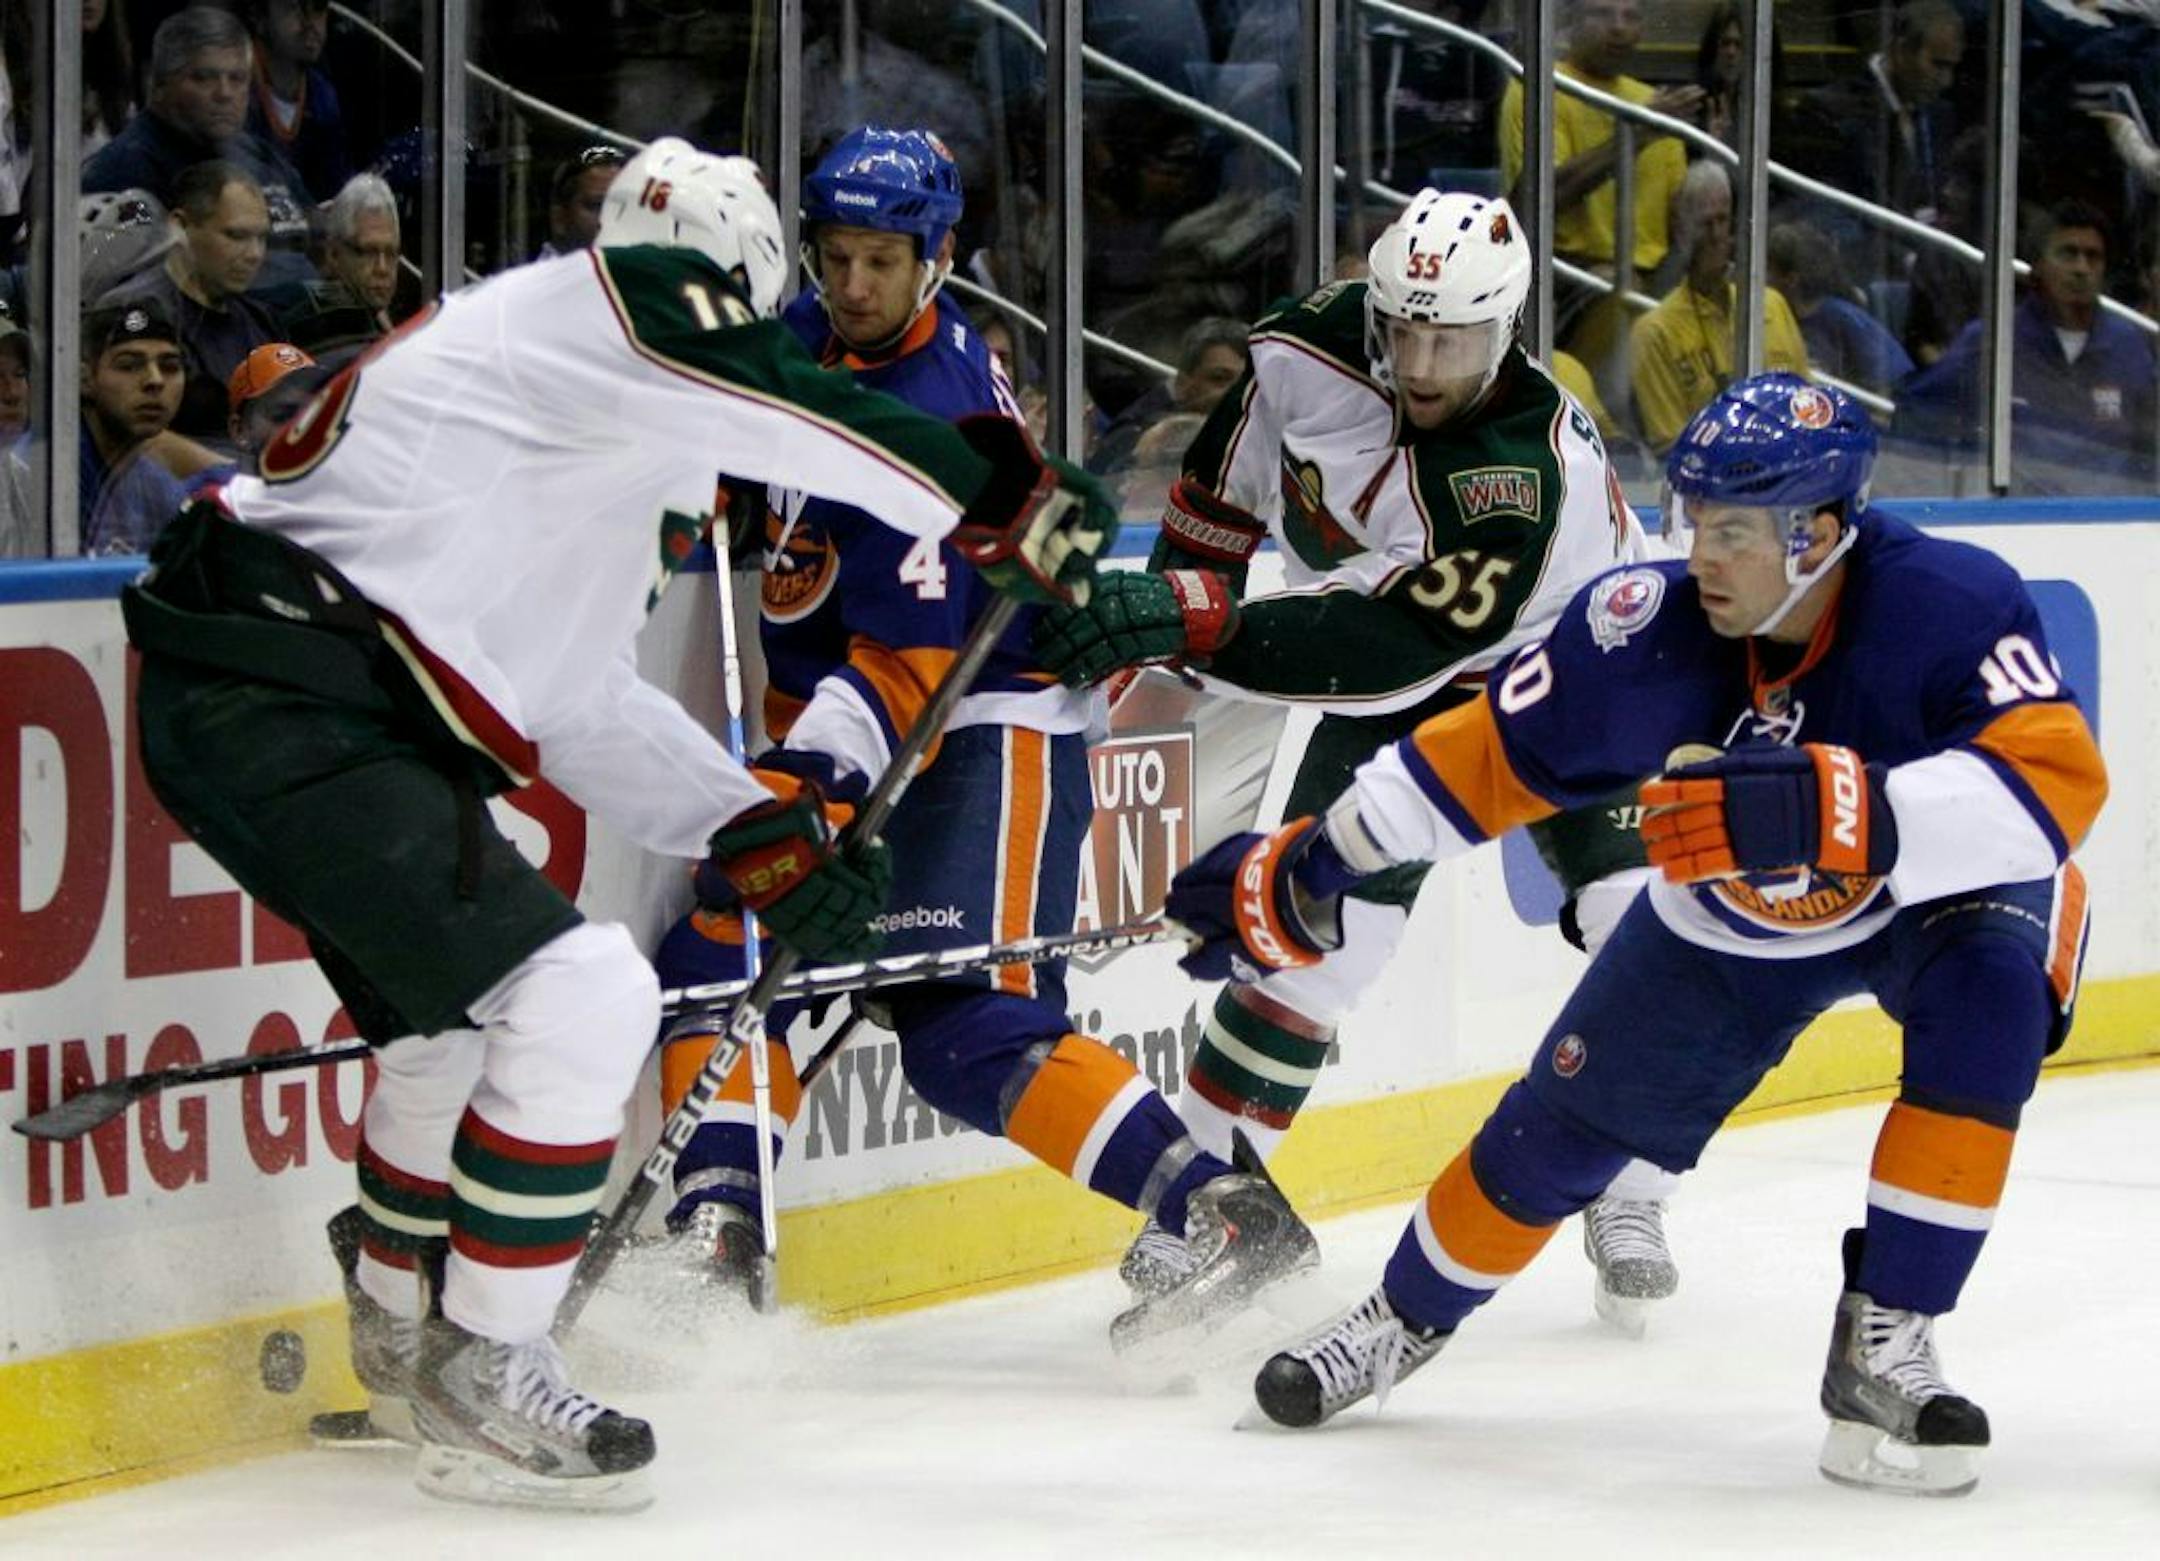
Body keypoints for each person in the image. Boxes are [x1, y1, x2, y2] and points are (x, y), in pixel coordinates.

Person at [120, 137, 1114, 1512]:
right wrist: (1002, 501)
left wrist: (749, 821)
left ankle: (402, 1311)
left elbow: (573, 696)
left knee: (441, 1027)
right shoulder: (619, 307)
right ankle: (490, 1361)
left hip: (272, 694)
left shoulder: (564, 418)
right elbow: (792, 399)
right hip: (285, 700)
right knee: (583, 990)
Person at [1169, 372, 2105, 1498]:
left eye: (1736, 532)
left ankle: (1887, 1335)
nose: (1702, 553)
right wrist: (1318, 862)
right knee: (1554, 1141)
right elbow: (1475, 760)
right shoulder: (1646, 630)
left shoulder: (1952, 602)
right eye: (1695, 520)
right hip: (1733, 923)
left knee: (1992, 1005)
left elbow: (2057, 787)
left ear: (1818, 534)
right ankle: (1398, 1320)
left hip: (1934, 898)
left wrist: (1837, 809)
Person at [649, 127, 1319, 1361]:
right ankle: (718, 1235)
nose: (853, 286)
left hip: (984, 719)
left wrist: (808, 788)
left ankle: (1220, 1214)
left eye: (881, 261)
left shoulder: (934, 407)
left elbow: (904, 658)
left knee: (968, 1025)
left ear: (938, 259)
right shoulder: (805, 338)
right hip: (890, 710)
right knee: (721, 948)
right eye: (837, 256)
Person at [1032, 189, 1690, 1334]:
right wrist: (1178, 606)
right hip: (1396, 659)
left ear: (1514, 328)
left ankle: (1630, 1190)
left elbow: (1383, 645)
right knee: (1306, 936)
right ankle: (1210, 1199)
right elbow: (1215, 505)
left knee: (1633, 912)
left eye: (1457, 339)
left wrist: (1190, 627)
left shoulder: (1521, 474)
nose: (1425, 363)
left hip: (1574, 665)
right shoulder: (1299, 349)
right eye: (1405, 330)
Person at [1497, 0, 1702, 385]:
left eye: (1631, 16)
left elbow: (1681, 219)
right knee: (1620, 290)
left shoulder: (1654, 103)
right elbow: (1535, 197)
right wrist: (1634, 134)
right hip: (1564, 271)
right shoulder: (1540, 86)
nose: (1619, 28)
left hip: (1654, 273)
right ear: (1571, 21)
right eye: (1603, 14)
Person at [1895, 199, 2157, 493]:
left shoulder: (2129, 346)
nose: (2081, 268)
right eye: (2068, 254)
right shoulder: (1992, 341)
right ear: (2038, 266)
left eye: (2093, 257)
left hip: (2118, 525)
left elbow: (2150, 447)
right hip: (2018, 523)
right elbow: (1914, 416)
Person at [83, 6, 315, 276]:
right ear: (159, 84)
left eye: (237, 79)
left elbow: (318, 231)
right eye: (204, 78)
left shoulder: (255, 152)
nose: (224, 93)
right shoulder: (127, 170)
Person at [1630, 160, 1811, 454]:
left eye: (1722, 220)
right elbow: (1671, 449)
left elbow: (1807, 404)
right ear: (1682, 232)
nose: (1715, 235)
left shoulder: (1773, 305)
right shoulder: (1654, 333)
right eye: (1704, 224)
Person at [1783, 0, 1966, 290]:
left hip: (1935, 273)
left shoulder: (1941, 115)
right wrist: (1910, 261)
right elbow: (1837, 219)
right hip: (1871, 279)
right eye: (1938, 65)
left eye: (1953, 68)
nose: (1946, 81)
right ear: (1901, 50)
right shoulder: (1829, 112)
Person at [118, 160, 281, 446]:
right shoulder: (139, 313)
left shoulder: (261, 321)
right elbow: (135, 439)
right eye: (236, 236)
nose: (255, 254)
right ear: (180, 227)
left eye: (262, 238)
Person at [1766, 219, 1914, 399]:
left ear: (1790, 279)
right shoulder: (1773, 320)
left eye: (1767, 270)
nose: (1760, 277)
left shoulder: (1842, 317)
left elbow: (1892, 375)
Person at [245, 0, 349, 202]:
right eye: (294, 7)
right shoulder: (232, 82)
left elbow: (335, 192)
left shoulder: (322, 95)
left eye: (318, 10)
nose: (311, 23)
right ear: (259, 18)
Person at [317, 171, 402, 332]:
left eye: (391, 253)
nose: (382, 269)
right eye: (368, 252)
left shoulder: (378, 323)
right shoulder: (315, 329)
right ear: (334, 254)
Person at [535, 145, 626, 259]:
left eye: (620, 207)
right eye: (596, 206)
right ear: (559, 218)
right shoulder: (539, 276)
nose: (610, 219)